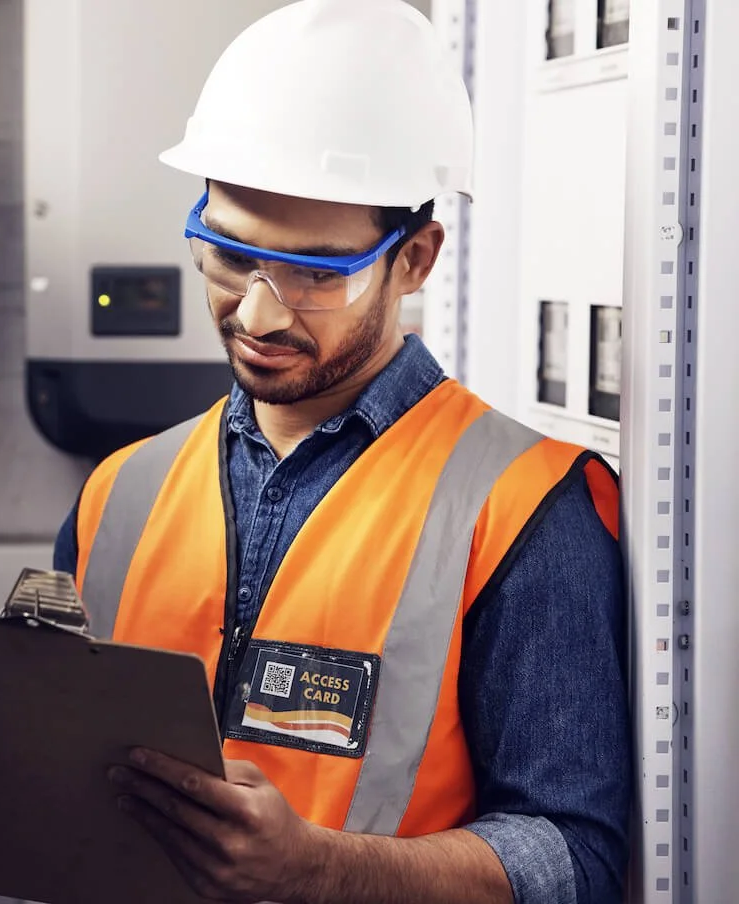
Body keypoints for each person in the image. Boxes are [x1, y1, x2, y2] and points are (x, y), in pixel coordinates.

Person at [51, 1, 631, 902]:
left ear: (417, 259)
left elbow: (574, 859)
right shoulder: (118, 493)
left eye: (318, 273)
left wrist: (320, 870)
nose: (257, 313)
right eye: (230, 253)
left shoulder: (525, 505)